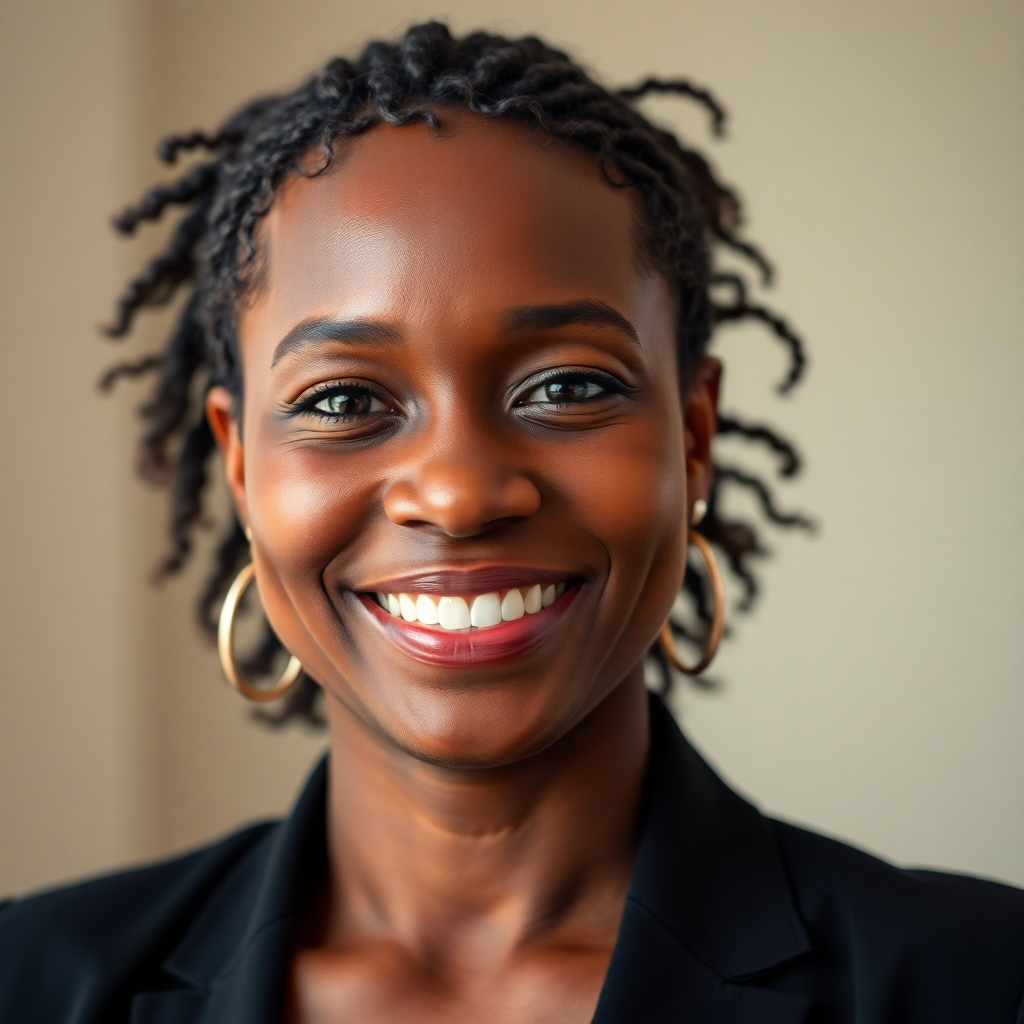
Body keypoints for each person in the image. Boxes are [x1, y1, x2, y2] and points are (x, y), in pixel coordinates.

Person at [0, 21, 1021, 1024]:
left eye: (568, 385)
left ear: (692, 434)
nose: (456, 492)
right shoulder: (28, 982)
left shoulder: (978, 983)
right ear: (238, 463)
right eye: (344, 401)